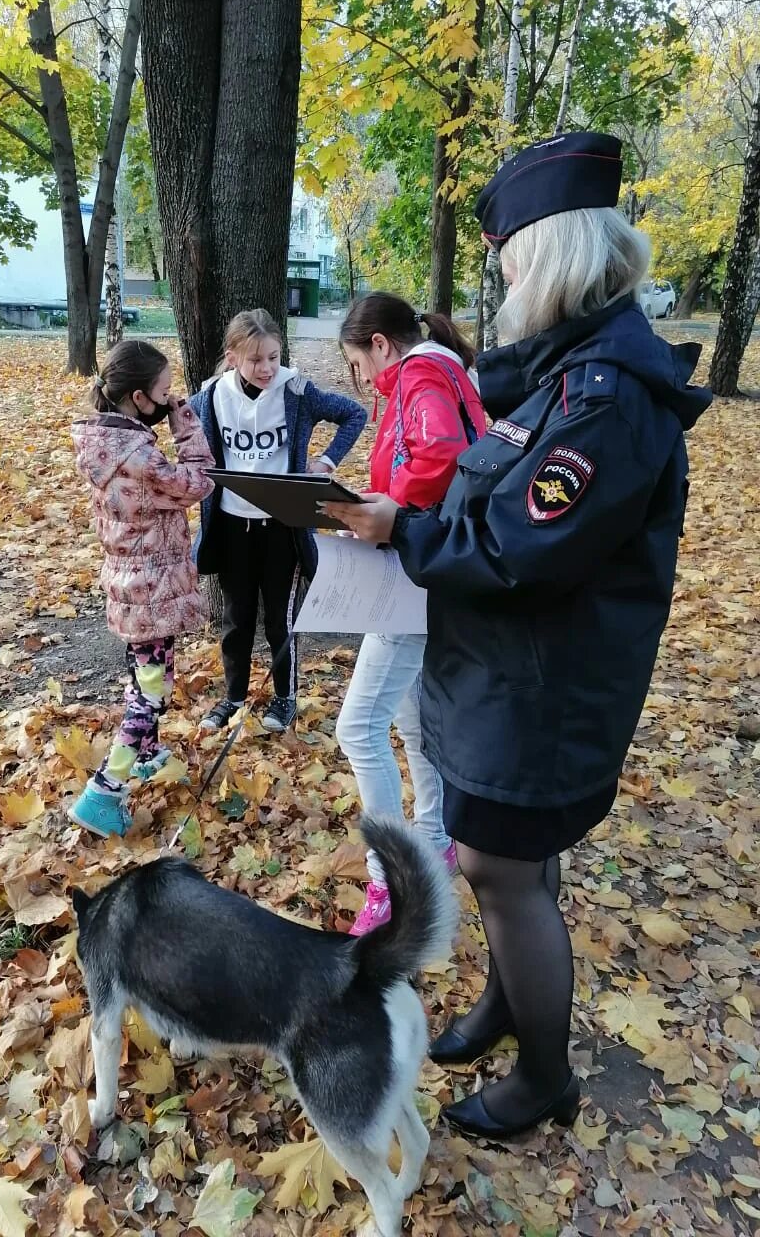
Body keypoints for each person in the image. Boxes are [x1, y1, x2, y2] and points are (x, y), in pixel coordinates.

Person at [325, 132, 711, 1138]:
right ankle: (508, 1002)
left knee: (501, 866)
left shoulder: (605, 397)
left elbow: (514, 547)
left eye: (510, 269)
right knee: (514, 864)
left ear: (550, 261)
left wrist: (397, 525)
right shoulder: (573, 366)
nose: (502, 290)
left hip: (546, 688)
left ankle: (545, 1073)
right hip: (514, 674)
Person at [335, 293, 487, 935]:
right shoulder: (434, 367)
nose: (362, 380)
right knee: (408, 716)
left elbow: (442, 453)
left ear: (378, 344)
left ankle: (391, 879)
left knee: (358, 726)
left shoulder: (422, 370)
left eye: (358, 364)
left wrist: (386, 513)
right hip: (427, 560)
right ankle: (438, 838)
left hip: (415, 566)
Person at [190, 308, 366, 733]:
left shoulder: (297, 391)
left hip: (282, 527)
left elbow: (354, 415)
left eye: (273, 356)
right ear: (232, 357)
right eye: (255, 359)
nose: (267, 367)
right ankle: (233, 698)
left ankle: (285, 697)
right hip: (232, 525)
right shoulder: (210, 396)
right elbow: (191, 442)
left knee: (279, 620)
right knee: (237, 619)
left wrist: (324, 463)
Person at [69, 340, 214, 837]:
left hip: (130, 588)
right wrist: (187, 427)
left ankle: (148, 753)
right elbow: (198, 482)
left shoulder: (100, 442)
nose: (169, 401)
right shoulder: (143, 459)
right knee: (148, 697)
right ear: (137, 398)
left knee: (148, 679)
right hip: (152, 591)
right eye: (164, 394)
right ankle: (104, 792)